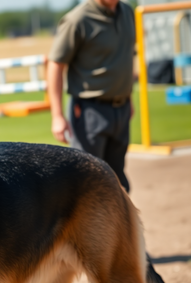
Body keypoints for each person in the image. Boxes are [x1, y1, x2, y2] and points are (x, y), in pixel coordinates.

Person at [47, 0, 135, 193]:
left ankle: (121, 224)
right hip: (90, 111)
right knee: (87, 179)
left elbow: (125, 58)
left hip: (122, 108)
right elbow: (55, 65)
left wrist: (129, 98)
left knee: (118, 178)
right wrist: (57, 116)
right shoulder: (77, 20)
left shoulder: (128, 12)